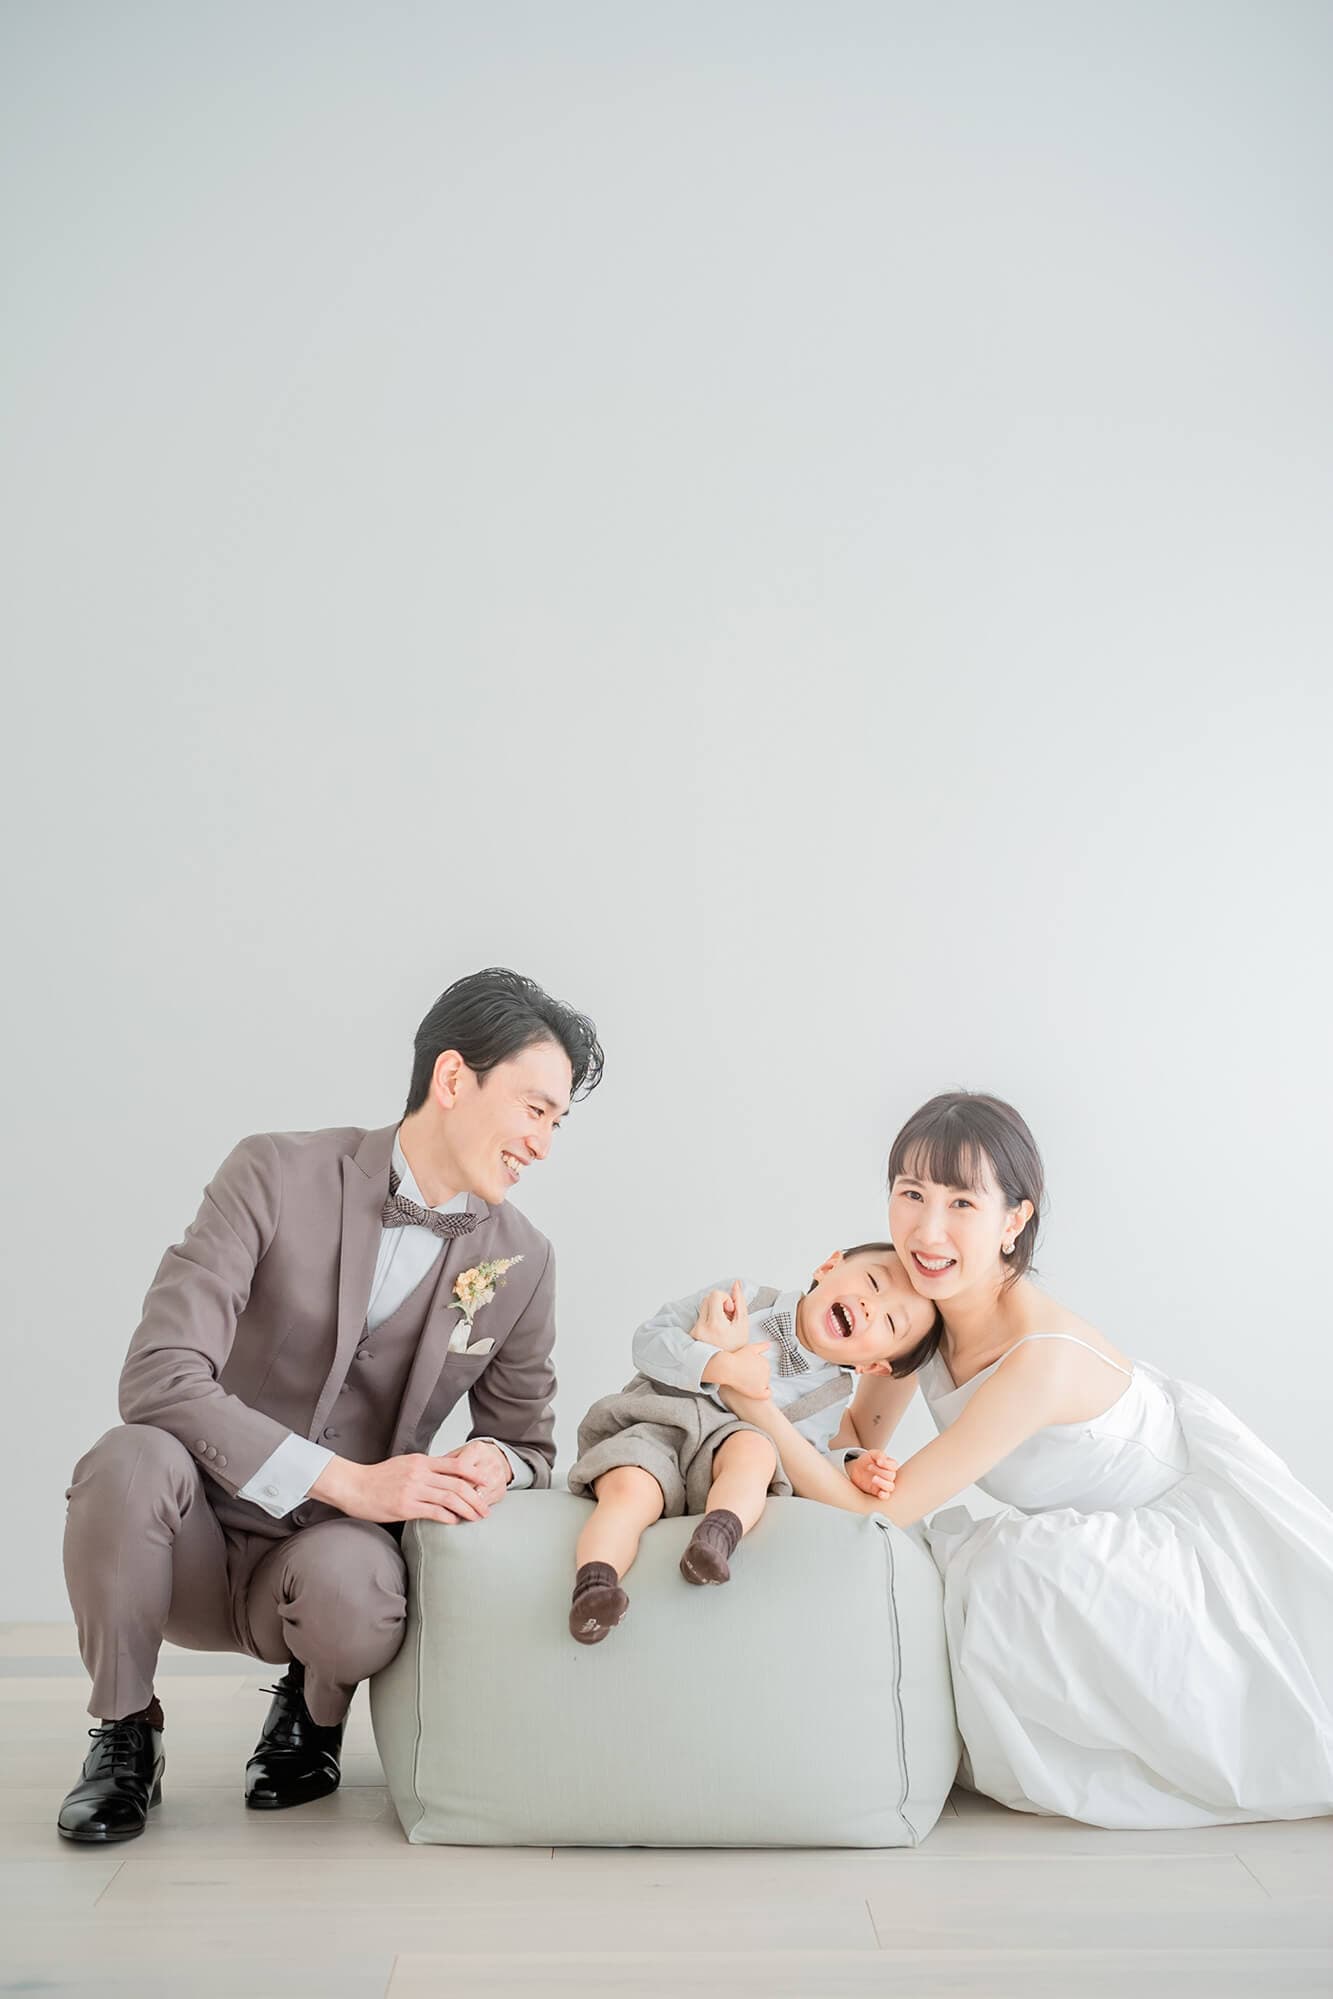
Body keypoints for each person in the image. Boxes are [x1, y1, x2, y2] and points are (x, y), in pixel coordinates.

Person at [58, 967, 604, 1843]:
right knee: (127, 1460)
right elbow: (159, 1371)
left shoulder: (523, 1259)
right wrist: (352, 1480)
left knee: (364, 1591)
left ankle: (312, 1712)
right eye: (534, 1108)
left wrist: (493, 1462)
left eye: (557, 1122)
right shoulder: (273, 1171)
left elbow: (527, 1442)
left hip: (327, 1560)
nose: (542, 1143)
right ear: (453, 1077)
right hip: (187, 1528)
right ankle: (125, 1729)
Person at [722, 1091, 1333, 1829]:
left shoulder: (1038, 1359)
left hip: (1179, 1543)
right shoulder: (921, 1308)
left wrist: (756, 1407)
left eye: (961, 1202)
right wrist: (805, 1436)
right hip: (1097, 1529)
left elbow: (881, 1509)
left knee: (1004, 1573)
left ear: (1014, 1220)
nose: (928, 1229)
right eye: (911, 1194)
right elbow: (856, 1435)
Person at [563, 1245, 938, 1643]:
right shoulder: (743, 1299)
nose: (869, 1306)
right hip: (657, 1424)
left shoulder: (831, 1394)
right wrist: (719, 1364)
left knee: (757, 1452)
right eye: (873, 1282)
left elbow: (803, 1457)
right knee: (631, 1492)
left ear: (873, 1366)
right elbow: (649, 1340)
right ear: (829, 1266)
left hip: (717, 1461)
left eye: (890, 1322)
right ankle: (595, 1587)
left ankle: (715, 1539)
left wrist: (849, 1466)